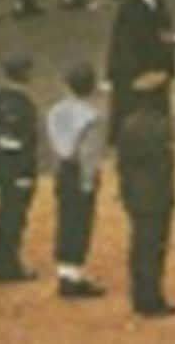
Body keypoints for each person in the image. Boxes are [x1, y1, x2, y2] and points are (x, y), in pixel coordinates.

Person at [116, 70, 175, 318]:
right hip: (156, 193)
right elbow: (165, 164)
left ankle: (140, 294)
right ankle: (151, 298)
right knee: (153, 247)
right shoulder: (160, 126)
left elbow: (123, 163)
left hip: (134, 192)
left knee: (139, 244)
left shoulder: (128, 125)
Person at [47, 60, 107, 298]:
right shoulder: (92, 117)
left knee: (65, 220)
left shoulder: (55, 111)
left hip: (62, 169)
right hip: (79, 171)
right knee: (80, 223)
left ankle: (65, 271)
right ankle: (73, 275)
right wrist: (88, 182)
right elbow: (89, 154)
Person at [0, 51, 39, 285]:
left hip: (0, 167)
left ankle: (2, 262)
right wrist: (25, 173)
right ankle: (9, 265)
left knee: (4, 213)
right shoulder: (24, 104)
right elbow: (26, 142)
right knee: (14, 218)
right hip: (17, 170)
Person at [106, 0, 175, 146]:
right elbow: (127, 43)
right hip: (136, 67)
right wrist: (138, 73)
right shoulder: (130, 6)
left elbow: (163, 28)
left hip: (156, 63)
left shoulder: (158, 0)